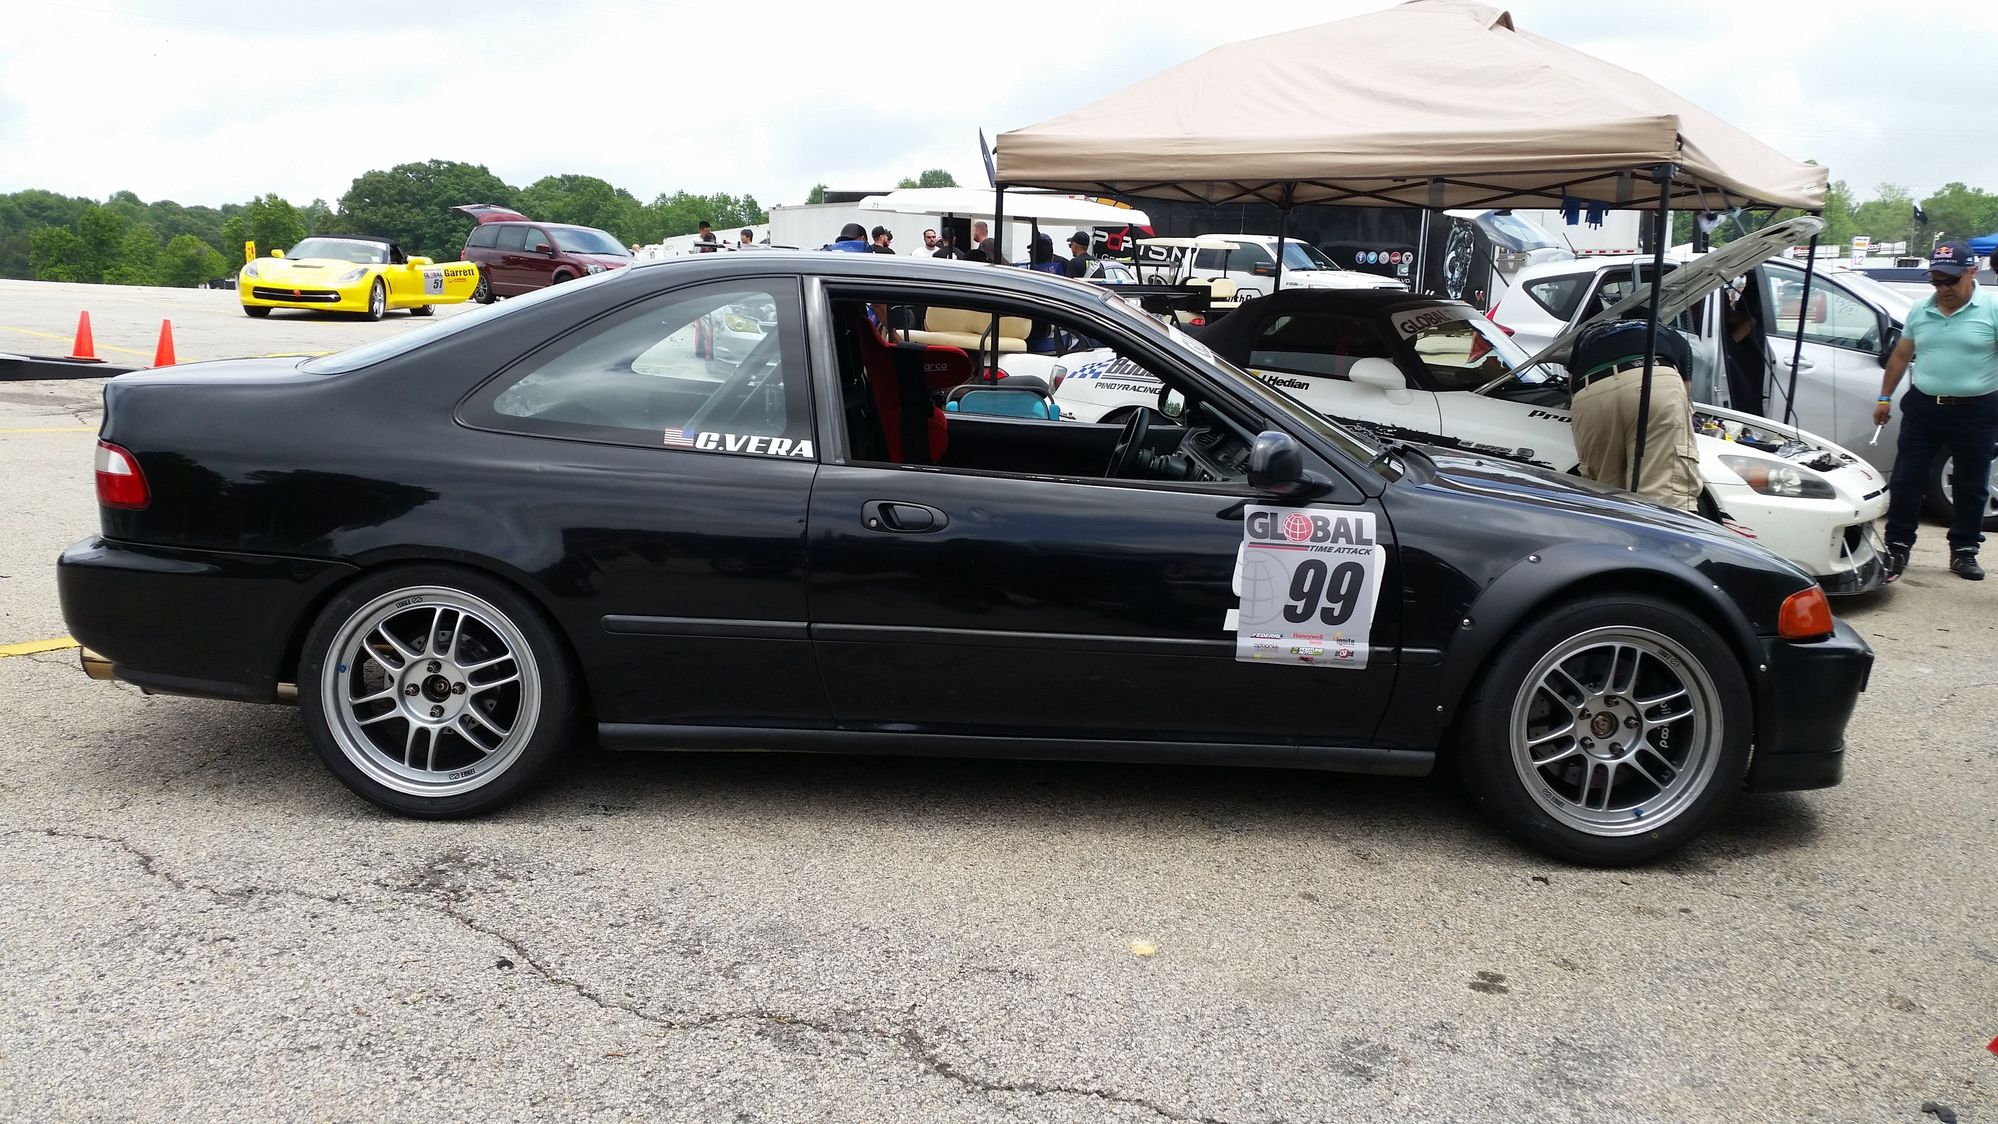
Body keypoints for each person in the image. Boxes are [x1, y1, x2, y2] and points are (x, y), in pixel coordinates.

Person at [1874, 239, 1998, 582]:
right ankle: (1897, 545)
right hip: (1925, 407)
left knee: (1971, 484)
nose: (1942, 289)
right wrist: (1884, 398)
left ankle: (1964, 550)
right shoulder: (1920, 310)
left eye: (1950, 280)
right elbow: (1901, 355)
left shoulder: (1992, 308)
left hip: (1977, 410)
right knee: (1907, 479)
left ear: (1972, 273)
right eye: (1936, 281)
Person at [1566, 317, 1700, 512]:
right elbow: (1685, 391)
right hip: (1653, 378)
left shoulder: (1590, 332)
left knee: (1604, 496)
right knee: (1661, 496)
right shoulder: (1670, 334)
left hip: (1591, 391)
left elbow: (1571, 384)